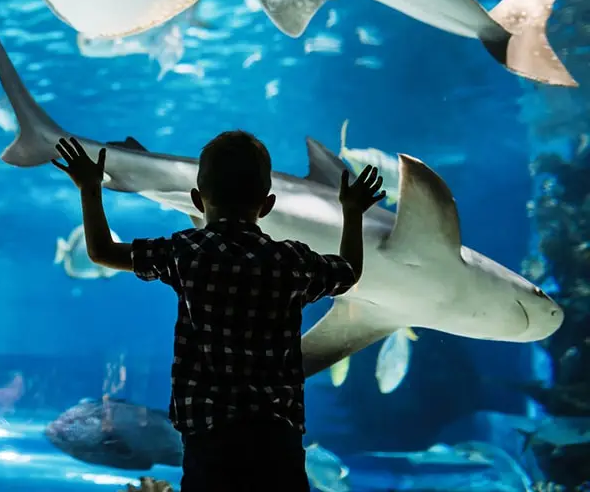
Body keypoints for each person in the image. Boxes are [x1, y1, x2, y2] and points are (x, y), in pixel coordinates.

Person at [51, 130, 385, 492]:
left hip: (209, 434)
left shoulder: (187, 252)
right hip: (276, 437)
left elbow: (102, 252)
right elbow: (348, 272)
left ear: (197, 199)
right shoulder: (291, 261)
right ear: (267, 204)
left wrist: (89, 187)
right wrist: (352, 211)